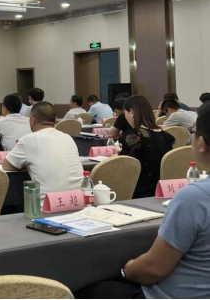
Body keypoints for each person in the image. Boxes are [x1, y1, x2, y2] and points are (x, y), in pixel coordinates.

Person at [77, 102, 210, 300]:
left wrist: (126, 271)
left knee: (85, 289)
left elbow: (153, 269)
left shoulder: (194, 198)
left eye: (193, 131)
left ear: (202, 144)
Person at [3, 102, 84, 194]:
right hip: (79, 199)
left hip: (47, 201)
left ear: (32, 120)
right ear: (55, 120)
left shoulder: (29, 139)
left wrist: (26, 163)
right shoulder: (68, 137)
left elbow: (7, 165)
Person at [121, 96, 175, 198]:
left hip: (139, 192)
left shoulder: (134, 136)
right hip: (162, 192)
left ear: (132, 112)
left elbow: (123, 165)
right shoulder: (165, 136)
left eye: (125, 113)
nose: (125, 117)